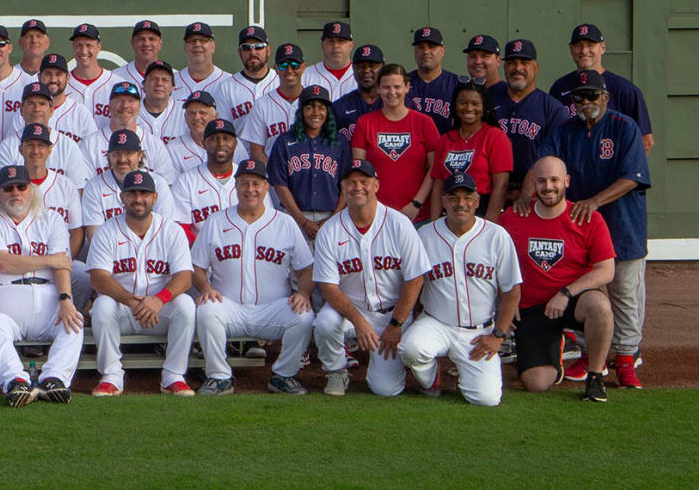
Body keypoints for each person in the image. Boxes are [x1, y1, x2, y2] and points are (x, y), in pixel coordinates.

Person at [534, 69, 653, 389]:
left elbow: (634, 176)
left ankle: (626, 359)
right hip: (580, 229)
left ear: (605, 97)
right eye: (580, 97)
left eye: (592, 96)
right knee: (590, 293)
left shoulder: (623, 126)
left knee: (624, 293)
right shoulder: (564, 129)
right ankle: (591, 355)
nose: (586, 102)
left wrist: (595, 201)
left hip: (622, 224)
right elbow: (544, 163)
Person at [191, 160, 313, 395]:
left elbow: (306, 268)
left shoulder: (284, 223)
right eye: (244, 183)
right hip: (229, 307)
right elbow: (196, 266)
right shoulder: (215, 221)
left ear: (266, 187)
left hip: (273, 309)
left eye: (256, 183)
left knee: (304, 316)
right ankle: (219, 377)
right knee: (206, 310)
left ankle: (283, 376)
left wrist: (304, 293)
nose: (250, 189)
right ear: (235, 187)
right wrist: (205, 287)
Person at [499, 157, 616, 401]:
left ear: (566, 181)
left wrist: (566, 293)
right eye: (541, 181)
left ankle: (595, 377)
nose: (548, 187)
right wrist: (505, 302)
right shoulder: (513, 217)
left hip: (571, 301)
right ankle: (561, 347)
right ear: (533, 183)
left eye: (554, 180)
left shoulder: (588, 219)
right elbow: (495, 263)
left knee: (599, 305)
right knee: (536, 384)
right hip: (531, 307)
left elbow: (606, 271)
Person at [399, 176, 522, 407]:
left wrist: (498, 336)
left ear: (477, 201)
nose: (460, 203)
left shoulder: (496, 236)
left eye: (467, 197)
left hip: (478, 331)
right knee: (411, 349)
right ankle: (430, 379)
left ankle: (468, 374)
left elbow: (512, 291)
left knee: (486, 399)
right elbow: (412, 283)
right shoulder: (425, 235)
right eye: (453, 197)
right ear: (444, 201)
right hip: (436, 323)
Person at [310, 160, 426, 398]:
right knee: (324, 323)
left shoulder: (399, 224)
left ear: (376, 185)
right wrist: (358, 320)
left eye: (364, 181)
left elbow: (415, 279)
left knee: (386, 390)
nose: (357, 187)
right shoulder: (330, 230)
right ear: (342, 187)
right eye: (351, 182)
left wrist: (396, 325)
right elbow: (328, 288)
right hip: (350, 313)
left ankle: (420, 369)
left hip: (393, 316)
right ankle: (335, 371)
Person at [0, 167, 86, 404]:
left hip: (47, 293)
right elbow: (3, 263)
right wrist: (48, 259)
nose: (15, 192)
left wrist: (66, 300)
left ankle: (54, 379)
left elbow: (62, 265)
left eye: (21, 186)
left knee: (74, 321)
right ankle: (15, 381)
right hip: (4, 296)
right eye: (8, 188)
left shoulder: (51, 219)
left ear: (32, 190)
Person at [84, 170, 196, 398]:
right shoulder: (107, 231)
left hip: (159, 310)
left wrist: (160, 299)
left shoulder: (171, 230)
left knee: (185, 305)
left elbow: (184, 277)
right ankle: (111, 376)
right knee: (103, 306)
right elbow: (98, 278)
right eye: (132, 193)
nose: (138, 199)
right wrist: (131, 302)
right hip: (124, 309)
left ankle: (173, 376)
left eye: (144, 193)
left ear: (155, 197)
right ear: (122, 197)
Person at [348, 65, 443, 219]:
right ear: (378, 88)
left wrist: (416, 203)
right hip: (377, 215)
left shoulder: (424, 123)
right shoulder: (365, 123)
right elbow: (359, 169)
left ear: (407, 87)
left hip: (417, 215)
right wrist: (373, 206)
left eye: (397, 87)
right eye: (386, 87)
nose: (392, 92)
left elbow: (435, 168)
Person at [549, 23, 655, 151]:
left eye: (590, 45)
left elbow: (645, 141)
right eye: (578, 45)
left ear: (602, 47)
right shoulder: (559, 87)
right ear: (571, 49)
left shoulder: (625, 90)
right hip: (569, 168)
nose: (584, 51)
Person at [488, 38, 571, 193]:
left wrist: (528, 191)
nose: (517, 68)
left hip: (534, 193)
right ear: (505, 67)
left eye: (524, 63)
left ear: (536, 67)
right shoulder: (487, 102)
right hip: (490, 190)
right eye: (512, 62)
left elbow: (558, 158)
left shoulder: (553, 109)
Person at [266, 86, 349, 235]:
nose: (316, 113)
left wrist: (335, 217)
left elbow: (346, 183)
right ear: (301, 111)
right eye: (310, 107)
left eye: (321, 108)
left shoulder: (339, 142)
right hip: (293, 216)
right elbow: (280, 184)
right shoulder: (285, 141)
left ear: (327, 112)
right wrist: (302, 221)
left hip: (330, 215)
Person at [436, 81, 513, 215]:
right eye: (463, 103)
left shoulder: (495, 137)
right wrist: (434, 223)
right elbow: (437, 186)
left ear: (484, 107)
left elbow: (501, 186)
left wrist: (488, 227)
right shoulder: (445, 140)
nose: (469, 108)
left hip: (481, 211)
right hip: (449, 212)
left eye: (475, 104)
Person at [239, 43, 309, 164]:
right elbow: (256, 151)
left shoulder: (314, 103)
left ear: (303, 67)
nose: (289, 70)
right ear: (275, 68)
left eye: (294, 65)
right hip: (273, 179)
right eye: (283, 66)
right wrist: (277, 175)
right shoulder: (262, 105)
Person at [405, 26, 460, 131]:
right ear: (414, 51)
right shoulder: (402, 83)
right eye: (420, 47)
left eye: (431, 46)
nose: (426, 51)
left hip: (447, 145)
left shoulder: (457, 84)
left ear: (442, 51)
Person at [330, 44, 386, 129]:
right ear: (353, 68)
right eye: (360, 66)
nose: (366, 71)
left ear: (383, 67)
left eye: (372, 66)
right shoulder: (339, 107)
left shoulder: (395, 104)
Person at [301, 21, 358, 99]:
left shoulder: (362, 76)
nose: (335, 46)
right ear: (322, 45)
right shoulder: (305, 76)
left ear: (351, 45)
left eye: (341, 41)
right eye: (331, 41)